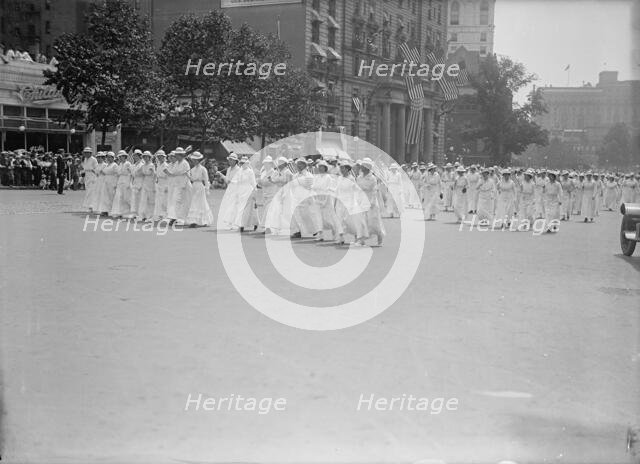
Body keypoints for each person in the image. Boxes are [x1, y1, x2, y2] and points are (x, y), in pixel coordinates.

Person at [356, 158, 385, 246]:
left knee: (373, 221)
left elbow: (374, 191)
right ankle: (361, 239)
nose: (361, 167)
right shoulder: (359, 177)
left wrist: (371, 202)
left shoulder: (372, 178)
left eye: (364, 166)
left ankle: (379, 235)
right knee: (361, 220)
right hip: (361, 201)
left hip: (371, 201)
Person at [312, 159, 343, 242]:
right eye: (319, 167)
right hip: (318, 198)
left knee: (330, 216)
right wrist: (315, 197)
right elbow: (313, 187)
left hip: (327, 199)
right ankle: (320, 233)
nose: (320, 168)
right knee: (318, 216)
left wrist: (325, 200)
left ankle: (335, 231)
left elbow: (329, 189)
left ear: (325, 168)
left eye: (322, 167)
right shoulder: (316, 177)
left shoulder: (328, 177)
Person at [165, 147, 192, 225]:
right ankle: (175, 217)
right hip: (177, 185)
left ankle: (184, 218)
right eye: (176, 155)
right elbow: (173, 173)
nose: (176, 156)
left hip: (185, 185)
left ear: (181, 155)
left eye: (177, 155)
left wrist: (183, 186)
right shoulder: (176, 163)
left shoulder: (185, 163)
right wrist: (167, 172)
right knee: (175, 201)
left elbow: (187, 175)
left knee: (185, 202)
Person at [186, 151, 213, 227]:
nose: (194, 161)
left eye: (196, 160)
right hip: (194, 186)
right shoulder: (192, 169)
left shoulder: (203, 169)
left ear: (199, 160)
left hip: (200, 187)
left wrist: (207, 189)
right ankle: (200, 221)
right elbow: (192, 179)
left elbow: (206, 180)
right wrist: (187, 175)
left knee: (198, 203)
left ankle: (194, 222)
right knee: (197, 203)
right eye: (193, 160)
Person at [110, 150, 133, 218]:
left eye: (122, 156)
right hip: (120, 181)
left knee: (127, 198)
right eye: (119, 157)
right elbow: (117, 174)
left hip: (126, 181)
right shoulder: (119, 164)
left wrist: (129, 183)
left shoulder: (128, 164)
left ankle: (131, 212)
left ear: (125, 157)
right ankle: (119, 212)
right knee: (119, 197)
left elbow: (131, 173)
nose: (120, 158)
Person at [138, 151, 156, 222]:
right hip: (145, 183)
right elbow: (138, 173)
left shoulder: (152, 165)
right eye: (144, 157)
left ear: (149, 157)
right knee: (143, 199)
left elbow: (154, 175)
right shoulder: (143, 165)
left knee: (150, 200)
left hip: (151, 183)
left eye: (146, 157)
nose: (145, 158)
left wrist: (154, 185)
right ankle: (143, 215)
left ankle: (150, 216)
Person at [153, 150, 169, 220]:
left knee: (164, 200)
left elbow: (168, 176)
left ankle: (165, 215)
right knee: (159, 200)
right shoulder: (158, 165)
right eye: (158, 157)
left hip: (165, 183)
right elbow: (157, 174)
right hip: (159, 183)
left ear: (164, 157)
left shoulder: (166, 165)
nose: (159, 158)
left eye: (161, 157)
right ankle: (160, 214)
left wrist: (166, 186)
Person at [81, 147, 98, 211]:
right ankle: (89, 205)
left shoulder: (94, 159)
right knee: (88, 191)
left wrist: (92, 172)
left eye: (87, 153)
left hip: (92, 176)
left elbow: (96, 168)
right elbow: (84, 168)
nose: (86, 154)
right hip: (87, 176)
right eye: (85, 153)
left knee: (92, 192)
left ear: (90, 153)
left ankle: (92, 206)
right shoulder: (85, 159)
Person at [129, 149, 145, 219]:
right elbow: (132, 174)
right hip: (135, 182)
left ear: (139, 156)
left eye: (136, 156)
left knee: (140, 199)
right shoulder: (134, 165)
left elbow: (141, 174)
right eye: (134, 156)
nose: (134, 157)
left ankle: (141, 214)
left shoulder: (142, 164)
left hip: (141, 182)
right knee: (134, 199)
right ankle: (134, 213)